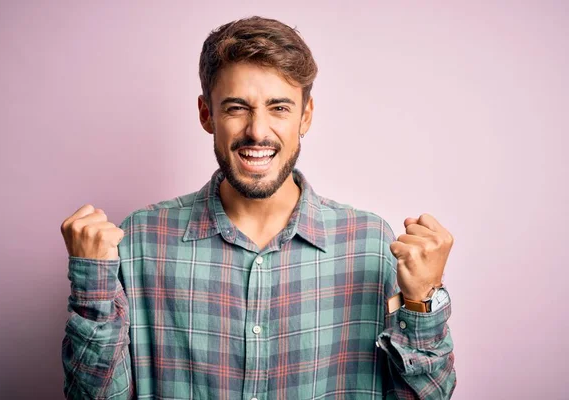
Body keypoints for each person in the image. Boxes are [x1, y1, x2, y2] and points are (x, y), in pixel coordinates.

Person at [60, 16, 456, 400]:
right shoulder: (142, 240)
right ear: (206, 114)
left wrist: (423, 299)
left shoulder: (371, 243)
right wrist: (92, 284)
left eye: (279, 108)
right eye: (236, 108)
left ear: (306, 115)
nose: (258, 131)